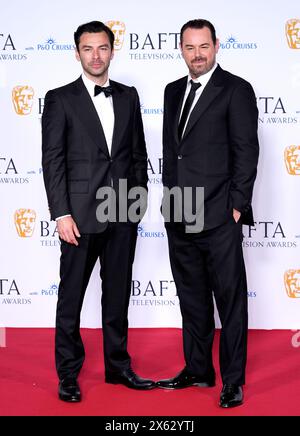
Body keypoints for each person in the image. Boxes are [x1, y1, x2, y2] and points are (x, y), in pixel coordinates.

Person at [42, 21, 154, 403]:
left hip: (123, 212)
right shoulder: (60, 99)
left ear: (112, 50)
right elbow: (53, 160)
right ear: (77, 53)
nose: (96, 55)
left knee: (118, 296)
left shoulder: (128, 95)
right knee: (70, 298)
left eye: (102, 48)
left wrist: (136, 201)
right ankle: (68, 374)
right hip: (79, 216)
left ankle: (118, 367)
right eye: (88, 49)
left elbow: (137, 153)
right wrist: (61, 214)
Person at [157, 19, 259, 408]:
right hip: (180, 214)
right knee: (192, 298)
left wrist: (235, 206)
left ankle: (233, 380)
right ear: (180, 49)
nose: (197, 54)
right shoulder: (171, 91)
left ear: (216, 46)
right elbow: (174, 152)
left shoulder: (236, 90)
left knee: (230, 301)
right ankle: (198, 369)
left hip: (219, 216)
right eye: (189, 47)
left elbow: (247, 153)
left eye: (204, 46)